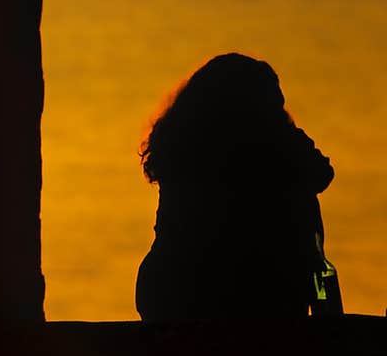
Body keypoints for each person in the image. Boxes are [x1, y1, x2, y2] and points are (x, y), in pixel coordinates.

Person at [135, 53, 343, 322]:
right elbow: (320, 172)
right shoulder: (266, 161)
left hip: (168, 297)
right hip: (245, 301)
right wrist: (286, 132)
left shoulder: (186, 152)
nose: (282, 115)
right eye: (275, 106)